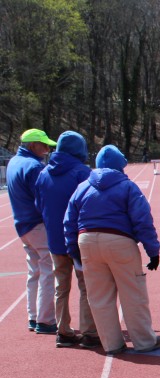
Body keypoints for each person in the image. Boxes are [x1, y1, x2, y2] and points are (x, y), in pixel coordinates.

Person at [64, 145, 160, 354]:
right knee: (133, 292)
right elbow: (142, 220)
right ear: (120, 165)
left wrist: (73, 251)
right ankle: (144, 341)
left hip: (87, 240)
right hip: (120, 240)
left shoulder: (82, 187)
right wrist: (152, 251)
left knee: (99, 296)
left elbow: (69, 222)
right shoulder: (127, 186)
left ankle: (112, 344)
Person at [34, 131, 99, 348]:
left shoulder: (43, 174)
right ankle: (90, 332)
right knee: (85, 286)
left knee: (61, 286)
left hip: (54, 239)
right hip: (78, 240)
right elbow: (91, 205)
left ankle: (63, 331)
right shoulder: (82, 173)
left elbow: (39, 205)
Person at [7, 128, 58, 334]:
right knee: (48, 270)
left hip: (22, 224)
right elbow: (43, 198)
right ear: (32, 145)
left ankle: (34, 316)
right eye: (43, 145)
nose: (47, 149)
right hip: (37, 224)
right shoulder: (34, 166)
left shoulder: (14, 162)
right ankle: (45, 320)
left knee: (34, 271)